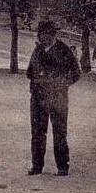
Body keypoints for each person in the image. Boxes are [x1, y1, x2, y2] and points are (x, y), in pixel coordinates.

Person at [26, 20, 81, 176]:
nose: (43, 38)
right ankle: (37, 166)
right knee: (37, 133)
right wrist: (38, 81)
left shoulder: (64, 50)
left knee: (59, 133)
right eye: (40, 35)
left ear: (52, 35)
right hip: (38, 99)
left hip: (58, 99)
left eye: (45, 35)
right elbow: (29, 73)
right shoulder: (37, 51)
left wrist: (60, 84)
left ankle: (62, 166)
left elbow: (76, 74)